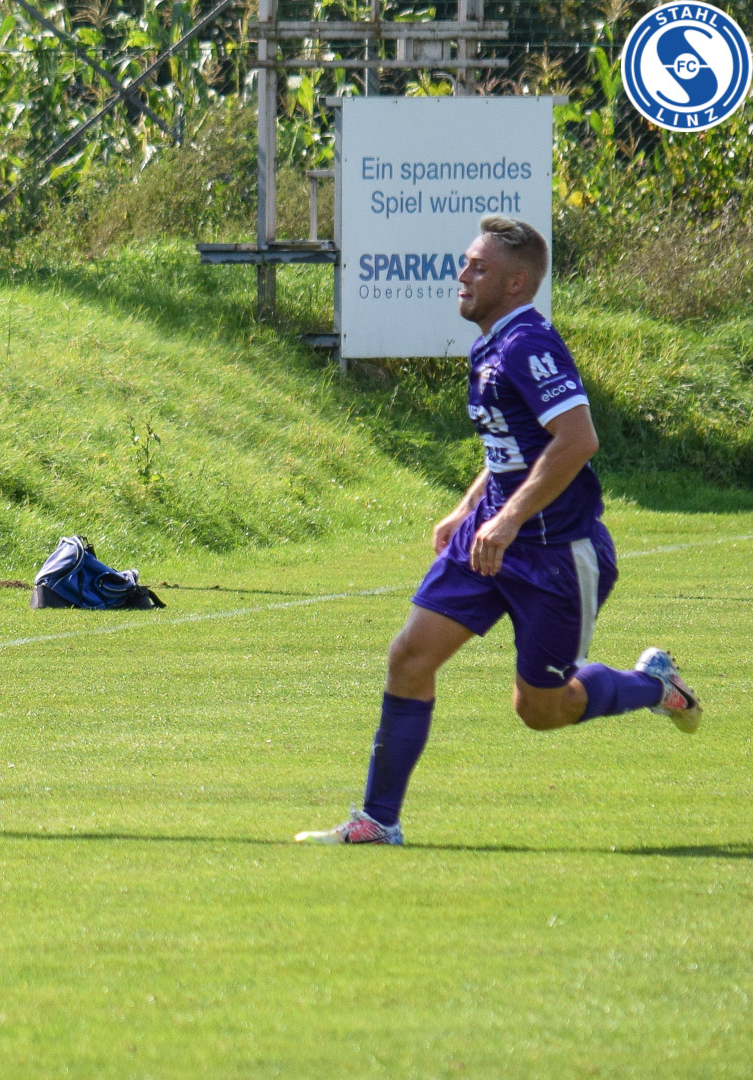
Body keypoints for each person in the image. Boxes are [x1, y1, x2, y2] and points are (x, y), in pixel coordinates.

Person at [295, 216, 702, 847]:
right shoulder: (491, 345)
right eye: (466, 262)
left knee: (541, 709)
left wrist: (509, 520)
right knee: (409, 656)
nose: (462, 274)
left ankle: (651, 685)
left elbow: (577, 440)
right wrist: (470, 509)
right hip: (488, 539)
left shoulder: (528, 345)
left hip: (555, 554)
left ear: (516, 283)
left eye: (478, 267)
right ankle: (378, 820)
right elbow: (512, 447)